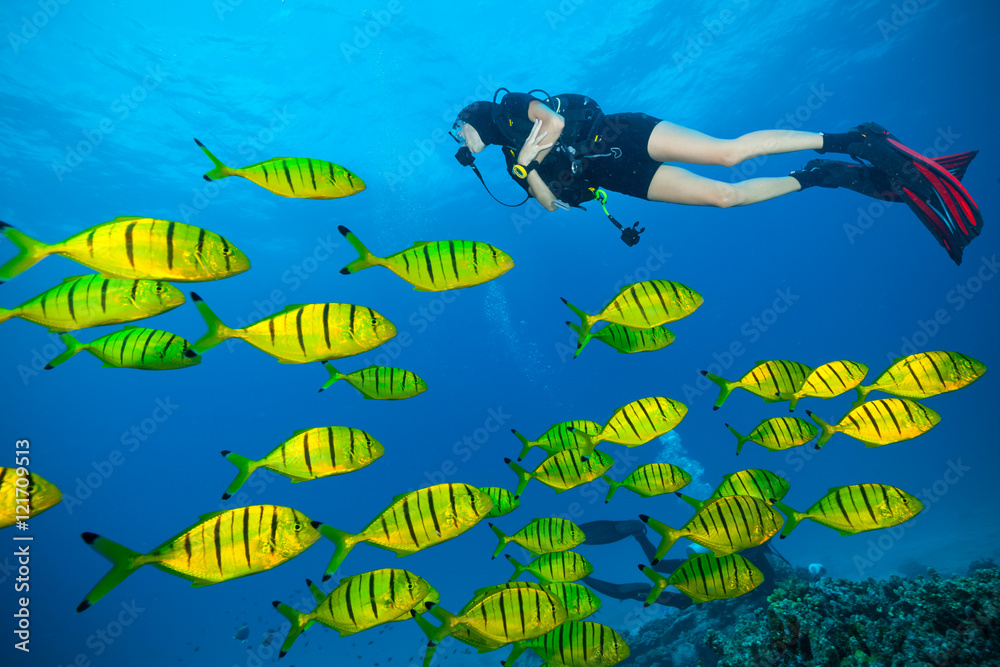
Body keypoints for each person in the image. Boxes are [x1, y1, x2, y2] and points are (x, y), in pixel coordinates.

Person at [452, 90, 982, 263]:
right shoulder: (509, 160)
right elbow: (551, 205)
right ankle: (821, 176)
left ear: (473, 118)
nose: (460, 142)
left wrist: (526, 156)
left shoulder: (514, 110)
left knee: (727, 155)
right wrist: (533, 177)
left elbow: (557, 120)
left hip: (618, 135)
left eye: (459, 131)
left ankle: (846, 140)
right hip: (615, 178)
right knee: (723, 198)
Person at [576, 519, 783, 608]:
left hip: (706, 563)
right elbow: (766, 581)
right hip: (714, 570)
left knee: (659, 567)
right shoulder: (760, 555)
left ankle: (639, 534)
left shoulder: (746, 541)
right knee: (684, 599)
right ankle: (643, 593)